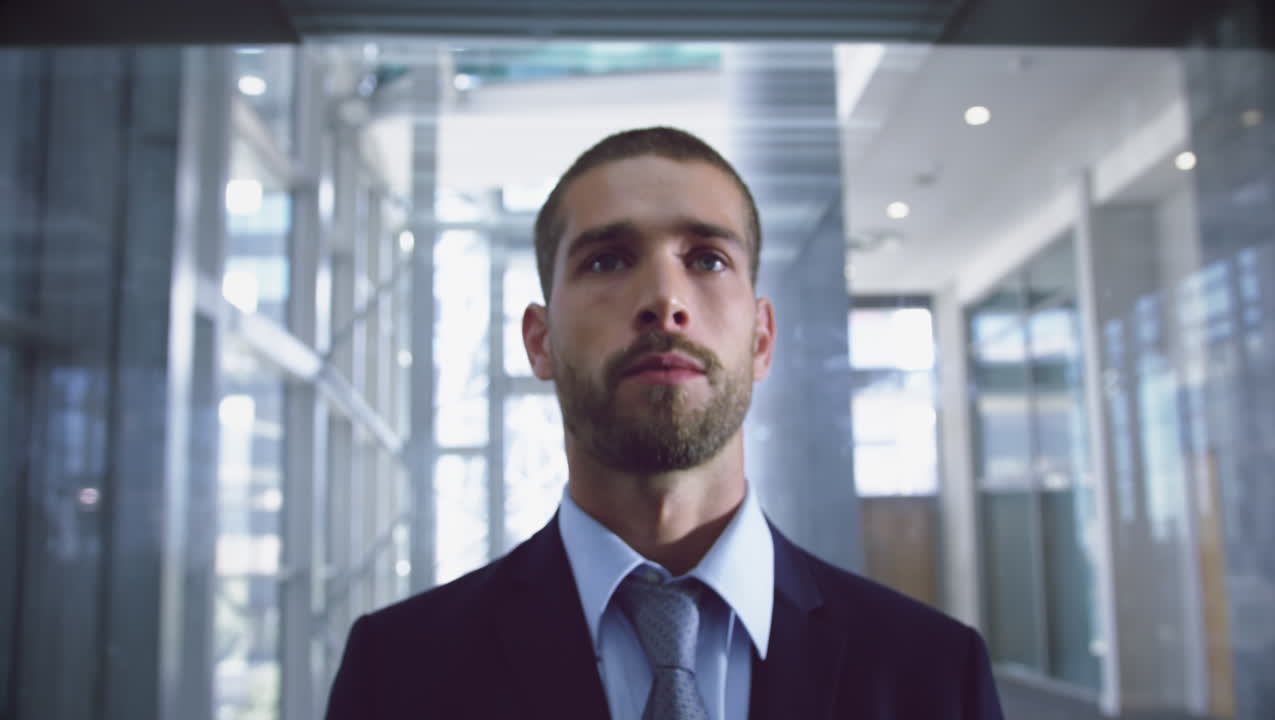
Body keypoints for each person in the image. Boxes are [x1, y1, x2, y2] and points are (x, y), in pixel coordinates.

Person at [325, 127, 1005, 720]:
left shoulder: (937, 676)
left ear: (762, 338)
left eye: (707, 258)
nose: (664, 300)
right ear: (539, 341)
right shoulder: (398, 672)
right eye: (608, 260)